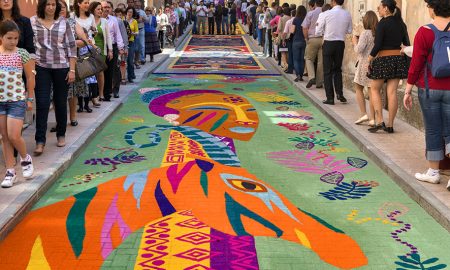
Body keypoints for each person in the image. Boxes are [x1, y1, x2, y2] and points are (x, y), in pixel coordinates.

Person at [403, 0, 450, 186]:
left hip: (430, 89)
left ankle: (433, 172)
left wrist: (408, 89)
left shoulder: (425, 31)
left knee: (433, 130)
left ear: (433, 9)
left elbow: (416, 64)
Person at [31, 0, 76, 154]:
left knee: (60, 102)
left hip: (62, 67)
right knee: (42, 103)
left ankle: (61, 134)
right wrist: (31, 58)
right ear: (42, 6)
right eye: (47, 4)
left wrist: (72, 70)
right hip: (41, 67)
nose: (50, 7)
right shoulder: (33, 21)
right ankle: (40, 140)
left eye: (53, 4)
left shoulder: (64, 22)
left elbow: (71, 46)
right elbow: (29, 44)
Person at [0, 21, 35, 188]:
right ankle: (10, 172)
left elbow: (30, 77)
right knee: (5, 138)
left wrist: (29, 98)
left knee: (14, 135)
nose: (13, 41)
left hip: (17, 100)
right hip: (0, 102)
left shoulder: (23, 54)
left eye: (15, 38)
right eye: (9, 38)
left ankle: (25, 159)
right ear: (1, 37)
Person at [368, 0, 410, 133]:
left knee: (374, 89)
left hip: (383, 59)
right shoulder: (401, 24)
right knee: (392, 92)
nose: (378, 10)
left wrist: (369, 59)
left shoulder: (382, 24)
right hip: (397, 59)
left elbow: (378, 44)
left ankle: (380, 121)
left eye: (379, 8)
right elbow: (407, 44)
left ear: (386, 9)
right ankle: (391, 125)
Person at [316, 0, 352, 105]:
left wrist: (326, 31)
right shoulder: (347, 14)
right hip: (340, 43)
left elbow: (318, 31)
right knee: (337, 69)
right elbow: (349, 30)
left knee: (327, 71)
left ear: (333, 2)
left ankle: (330, 98)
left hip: (328, 43)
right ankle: (340, 94)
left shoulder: (325, 14)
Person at [352, 10, 378, 126]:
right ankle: (373, 118)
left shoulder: (365, 33)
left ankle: (363, 114)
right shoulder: (377, 33)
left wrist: (354, 42)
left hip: (363, 63)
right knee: (372, 90)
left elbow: (359, 49)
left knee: (358, 88)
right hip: (374, 63)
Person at [72, 0, 97, 113]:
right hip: (76, 49)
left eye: (88, 2)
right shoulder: (73, 16)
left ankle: (87, 104)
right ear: (78, 4)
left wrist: (93, 31)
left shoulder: (91, 16)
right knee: (79, 77)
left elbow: (95, 31)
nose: (87, 5)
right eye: (85, 2)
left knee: (89, 76)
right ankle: (80, 105)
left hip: (88, 48)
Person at [101, 1, 125, 101]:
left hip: (113, 47)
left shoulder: (114, 20)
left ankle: (115, 90)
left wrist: (121, 48)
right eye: (104, 7)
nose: (106, 9)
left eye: (108, 7)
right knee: (102, 70)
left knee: (114, 70)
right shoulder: (95, 19)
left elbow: (118, 34)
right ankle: (102, 92)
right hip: (101, 47)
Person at [90, 1, 113, 104]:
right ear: (93, 10)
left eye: (101, 9)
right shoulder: (89, 20)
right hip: (90, 49)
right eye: (98, 9)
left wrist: (110, 50)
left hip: (101, 50)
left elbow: (108, 37)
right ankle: (91, 95)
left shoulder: (104, 21)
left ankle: (101, 94)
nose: (100, 11)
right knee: (90, 72)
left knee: (100, 72)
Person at [302, 0, 324, 89]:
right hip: (323, 39)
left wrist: (306, 38)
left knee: (308, 58)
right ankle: (319, 83)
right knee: (321, 62)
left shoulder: (310, 13)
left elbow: (304, 27)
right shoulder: (326, 13)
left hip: (313, 38)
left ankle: (311, 77)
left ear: (315, 4)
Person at [291, 5, 307, 82]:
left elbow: (292, 31)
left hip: (296, 40)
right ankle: (301, 74)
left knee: (296, 59)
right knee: (302, 59)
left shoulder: (295, 19)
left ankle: (298, 75)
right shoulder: (306, 19)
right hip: (304, 41)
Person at [125, 7, 138, 83]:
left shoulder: (134, 21)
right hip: (123, 42)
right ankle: (122, 77)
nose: (130, 13)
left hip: (131, 42)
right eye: (129, 11)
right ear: (126, 12)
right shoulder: (123, 20)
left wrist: (132, 33)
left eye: (131, 12)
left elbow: (137, 32)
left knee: (130, 60)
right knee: (123, 61)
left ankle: (130, 76)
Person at [134, 0, 147, 65]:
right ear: (135, 5)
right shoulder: (133, 11)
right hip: (134, 31)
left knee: (142, 45)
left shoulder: (142, 12)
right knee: (136, 46)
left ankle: (142, 59)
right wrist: (137, 20)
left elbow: (147, 20)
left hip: (141, 29)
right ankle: (136, 59)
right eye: (137, 5)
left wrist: (143, 19)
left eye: (139, 6)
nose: (138, 7)